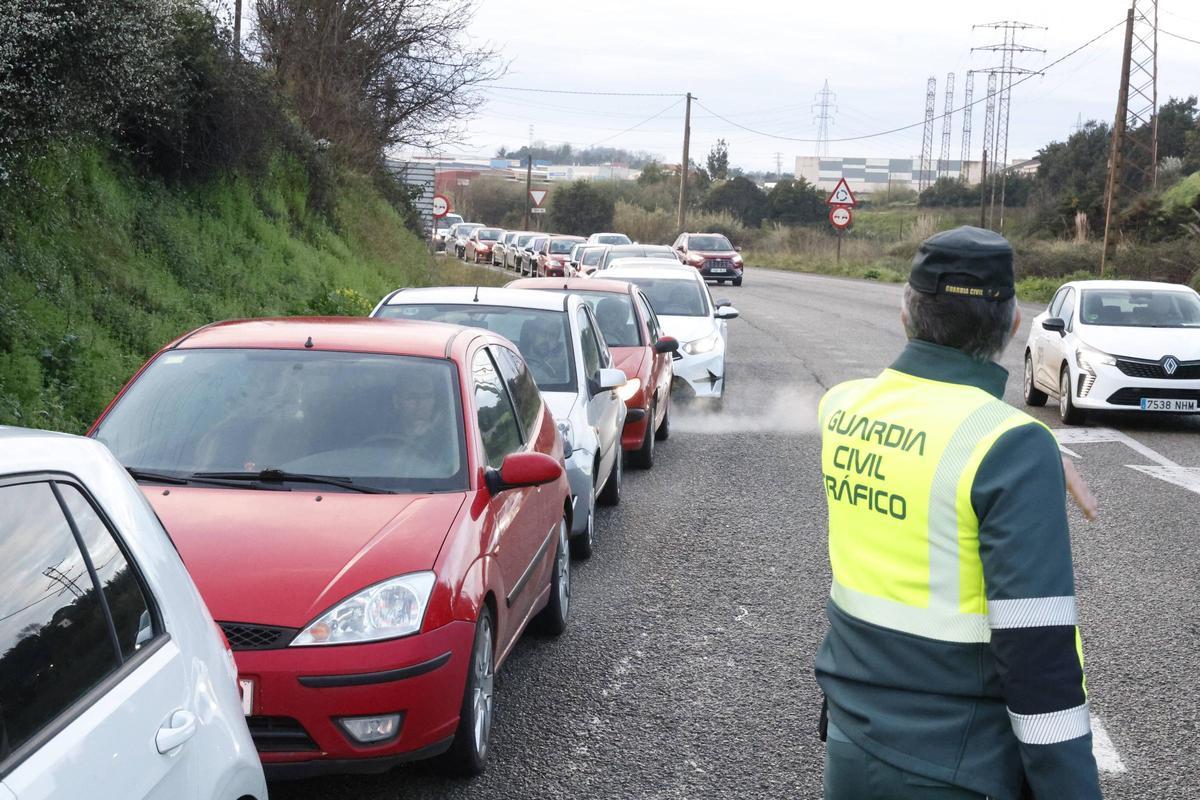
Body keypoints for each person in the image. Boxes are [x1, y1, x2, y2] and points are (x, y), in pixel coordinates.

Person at [815, 226, 1102, 800]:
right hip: (958, 766)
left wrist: (1028, 448)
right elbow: (1036, 652)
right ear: (1013, 324)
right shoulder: (1011, 450)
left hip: (851, 743)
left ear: (905, 314)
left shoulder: (841, 408)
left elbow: (923, 437)